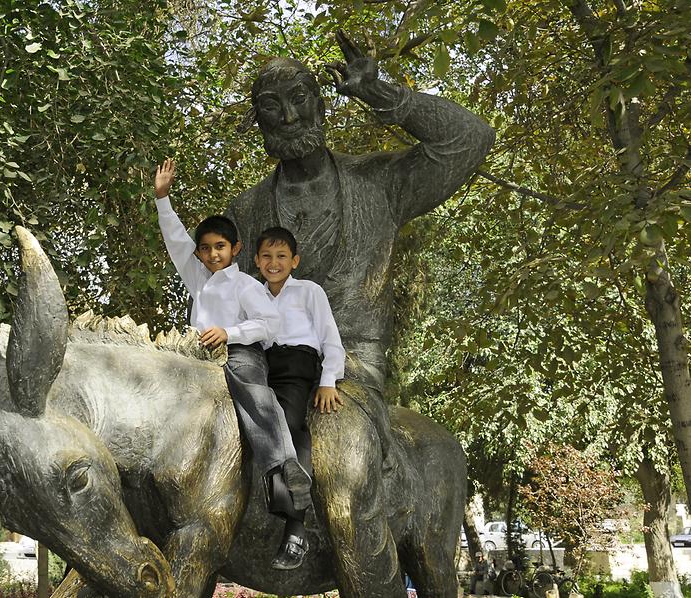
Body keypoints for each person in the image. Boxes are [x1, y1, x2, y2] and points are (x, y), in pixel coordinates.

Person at [225, 31, 495, 461]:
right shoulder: (245, 210)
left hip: (352, 368)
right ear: (258, 119)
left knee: (338, 464)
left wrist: (380, 93)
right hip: (274, 371)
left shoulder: (379, 183)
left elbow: (471, 138)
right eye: (272, 106)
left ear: (321, 103)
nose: (290, 117)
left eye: (299, 98)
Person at [153, 158, 313, 568]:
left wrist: (230, 334)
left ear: (235, 250)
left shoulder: (245, 284)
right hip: (196, 356)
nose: (210, 254)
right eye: (205, 248)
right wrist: (162, 198)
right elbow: (174, 240)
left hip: (239, 353)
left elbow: (269, 323)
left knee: (252, 391)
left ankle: (284, 463)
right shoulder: (197, 276)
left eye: (218, 248)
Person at [253, 226, 345, 569]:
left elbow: (330, 339)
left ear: (295, 261)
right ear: (256, 260)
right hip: (261, 365)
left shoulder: (309, 292)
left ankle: (296, 527)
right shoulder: (252, 295)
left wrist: (328, 380)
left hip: (297, 364)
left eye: (281, 256)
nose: (273, 263)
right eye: (266, 256)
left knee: (287, 422)